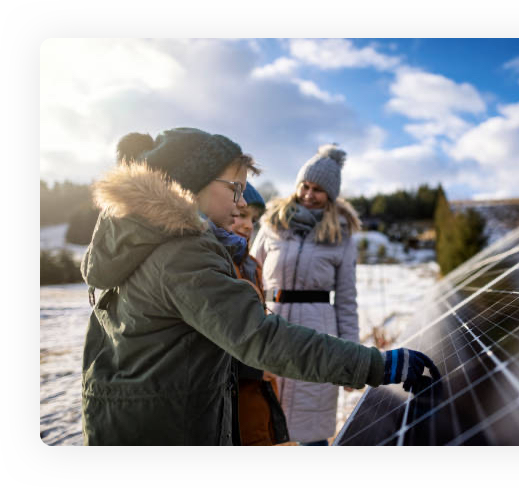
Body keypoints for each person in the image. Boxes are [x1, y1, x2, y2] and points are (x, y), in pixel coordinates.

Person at [80, 127, 440, 446]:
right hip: (166, 425)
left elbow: (340, 299)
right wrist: (374, 364)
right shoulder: (181, 253)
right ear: (193, 183)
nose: (240, 202)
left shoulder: (141, 239)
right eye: (234, 188)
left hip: (135, 416)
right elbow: (259, 336)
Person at [249, 144, 359, 446]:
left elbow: (347, 301)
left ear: (331, 195)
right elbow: (250, 276)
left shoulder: (342, 234)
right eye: (305, 186)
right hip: (270, 327)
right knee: (262, 422)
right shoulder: (272, 224)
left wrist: (351, 358)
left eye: (318, 190)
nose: (309, 194)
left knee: (310, 426)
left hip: (318, 332)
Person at [226, 183, 289, 446]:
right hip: (231, 403)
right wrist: (253, 368)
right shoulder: (212, 271)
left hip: (260, 395)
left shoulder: (252, 267)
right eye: (239, 216)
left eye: (253, 219)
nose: (249, 226)